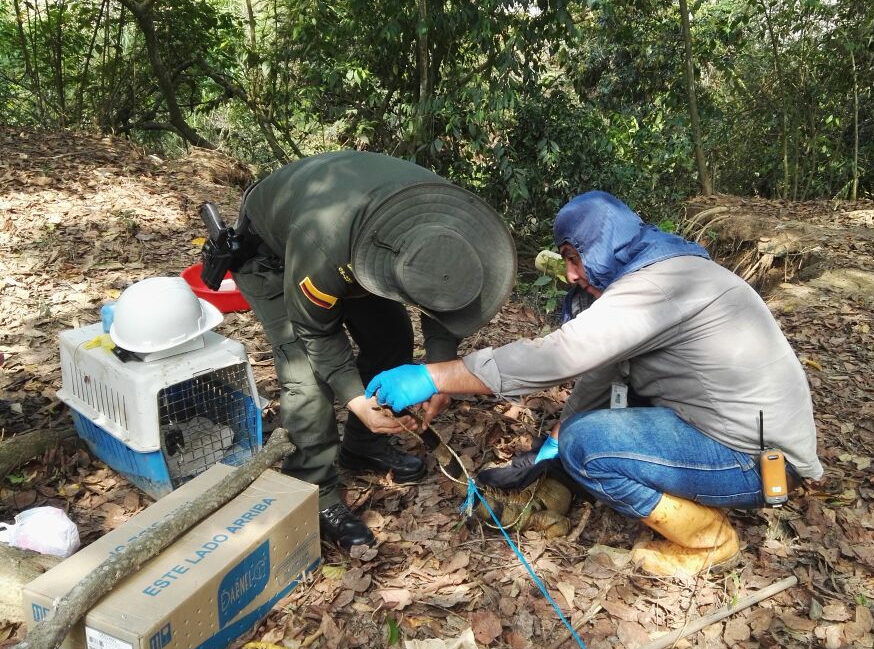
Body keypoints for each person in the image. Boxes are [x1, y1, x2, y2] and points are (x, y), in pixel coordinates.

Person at [365, 191, 822, 576]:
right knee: (580, 435)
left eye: (574, 258)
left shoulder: (656, 287)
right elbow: (600, 374)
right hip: (748, 442)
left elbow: (559, 355)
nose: (571, 274)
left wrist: (433, 374)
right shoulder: (664, 268)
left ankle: (709, 540)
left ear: (606, 247)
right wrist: (548, 448)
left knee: (588, 445)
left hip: (758, 463)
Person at [230, 151, 516, 549]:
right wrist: (355, 398)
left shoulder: (450, 227)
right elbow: (315, 333)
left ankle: (362, 447)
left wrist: (439, 372)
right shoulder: (323, 247)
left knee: (391, 339)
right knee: (308, 377)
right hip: (273, 255)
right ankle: (314, 492)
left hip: (368, 241)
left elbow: (445, 300)